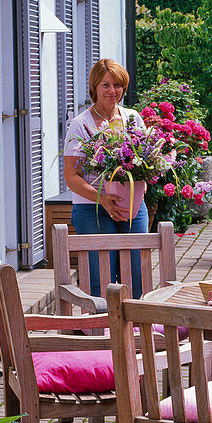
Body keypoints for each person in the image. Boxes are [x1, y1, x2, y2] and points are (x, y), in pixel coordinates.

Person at [63, 58, 148, 298]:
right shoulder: (80, 125)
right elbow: (71, 176)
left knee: (137, 271)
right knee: (102, 275)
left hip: (131, 206)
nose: (113, 91)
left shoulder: (132, 119)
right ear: (94, 88)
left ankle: (137, 328)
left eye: (118, 85)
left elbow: (144, 162)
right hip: (92, 208)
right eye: (106, 85)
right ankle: (101, 329)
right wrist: (101, 198)